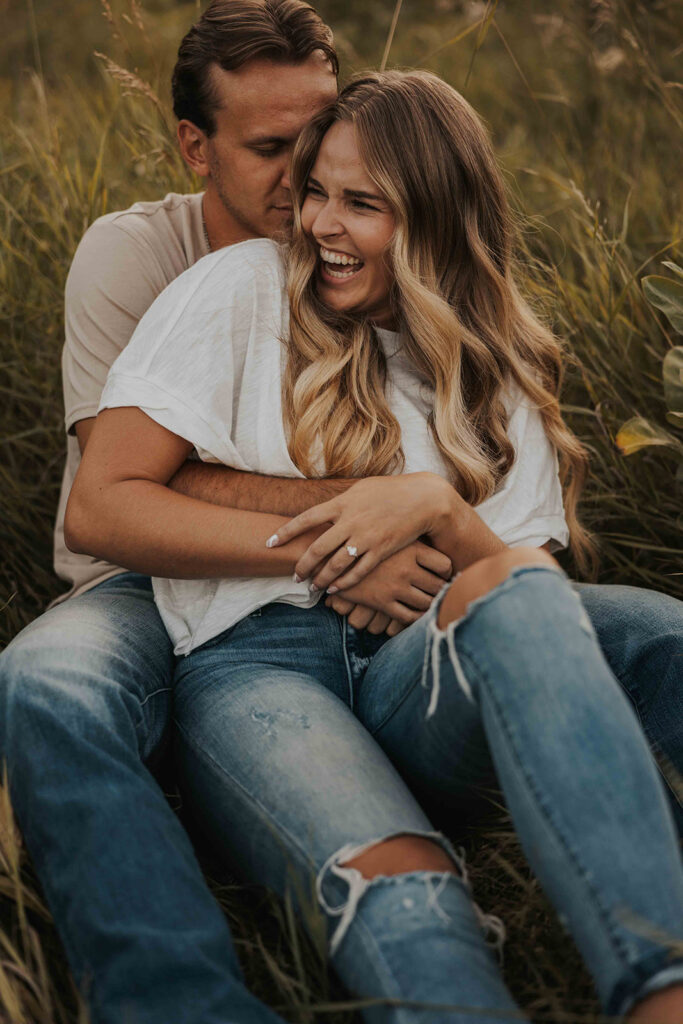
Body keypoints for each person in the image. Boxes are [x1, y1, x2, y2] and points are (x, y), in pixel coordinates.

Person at [0, 0, 679, 1020]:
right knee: (392, 882)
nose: (311, 213)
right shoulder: (211, 281)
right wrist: (343, 537)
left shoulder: (491, 353)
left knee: (636, 626)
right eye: (296, 171)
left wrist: (430, 511)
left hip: (416, 660)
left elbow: (512, 589)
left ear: (430, 209)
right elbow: (108, 497)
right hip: (237, 642)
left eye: (350, 191)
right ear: (199, 147)